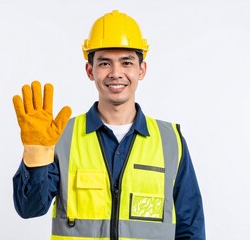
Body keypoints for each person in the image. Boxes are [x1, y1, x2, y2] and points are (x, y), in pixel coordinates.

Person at [12, 10, 205, 240]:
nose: (116, 73)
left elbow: (190, 227)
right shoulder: (60, 137)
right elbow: (30, 208)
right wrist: (35, 155)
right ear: (90, 70)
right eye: (105, 63)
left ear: (141, 70)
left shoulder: (171, 141)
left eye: (126, 62)